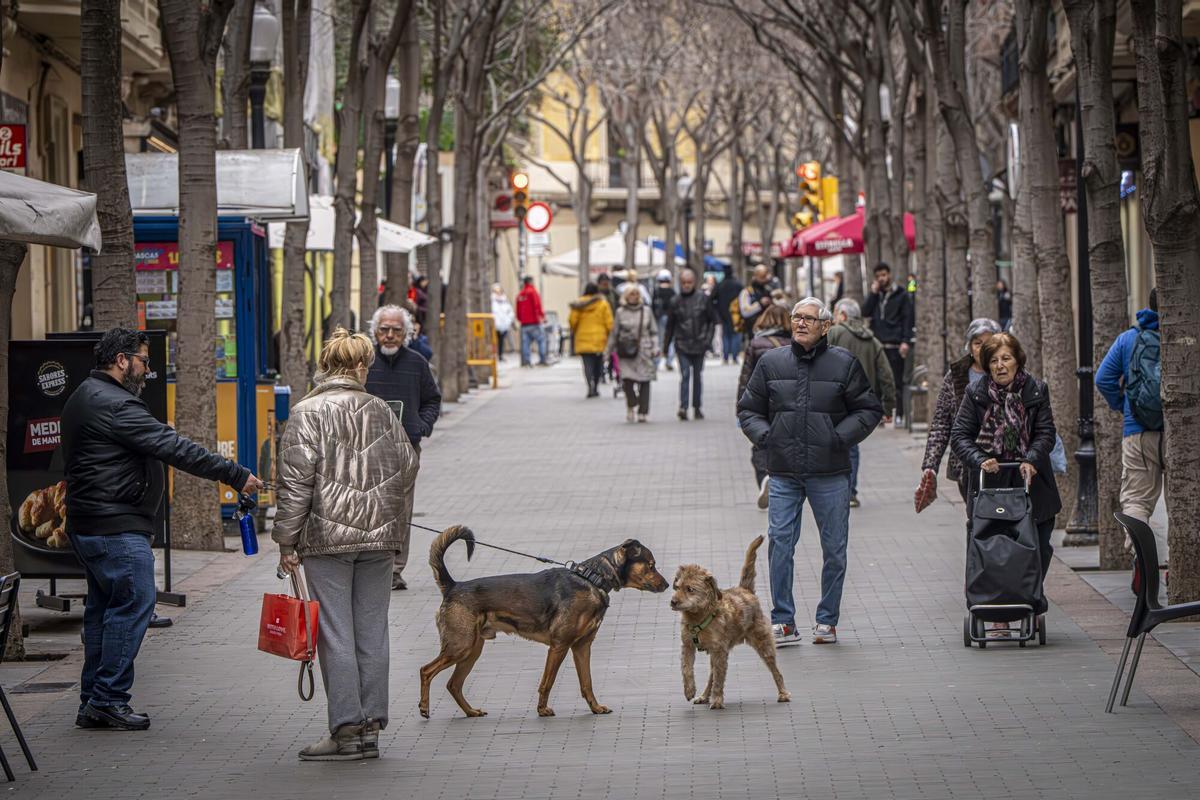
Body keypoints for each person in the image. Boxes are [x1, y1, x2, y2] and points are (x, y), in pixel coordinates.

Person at [62, 328, 263, 731]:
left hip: (91, 524)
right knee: (134, 605)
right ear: (121, 360)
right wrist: (235, 474)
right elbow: (178, 451)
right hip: (115, 527)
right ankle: (107, 697)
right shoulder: (116, 405)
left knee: (103, 611)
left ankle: (93, 700)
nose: (147, 369)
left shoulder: (84, 395)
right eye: (143, 360)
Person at [274, 328, 417, 761]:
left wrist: (286, 540)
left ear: (324, 364)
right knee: (372, 631)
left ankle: (346, 730)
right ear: (361, 366)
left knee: (335, 633)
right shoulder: (380, 410)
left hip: (326, 540)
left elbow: (295, 484)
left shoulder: (306, 413)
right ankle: (372, 726)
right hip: (378, 540)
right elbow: (407, 467)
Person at [737, 298, 883, 647]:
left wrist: (838, 437)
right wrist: (766, 437)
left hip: (830, 472)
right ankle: (783, 621)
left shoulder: (843, 364)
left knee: (834, 548)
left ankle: (827, 619)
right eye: (796, 317)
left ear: (826, 326)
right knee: (780, 544)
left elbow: (868, 409)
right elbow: (748, 409)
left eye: (808, 318)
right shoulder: (771, 363)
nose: (800, 323)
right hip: (784, 472)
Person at [951, 333, 1060, 632]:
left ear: (1017, 360)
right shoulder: (976, 393)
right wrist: (978, 459)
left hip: (1031, 481)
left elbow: (1045, 433)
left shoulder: (1035, 390)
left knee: (1038, 546)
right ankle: (995, 610)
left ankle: (1030, 598)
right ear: (986, 366)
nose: (1000, 366)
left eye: (1006, 358)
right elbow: (960, 435)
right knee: (994, 551)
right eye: (994, 360)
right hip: (992, 484)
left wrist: (1032, 459)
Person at [363, 305, 441, 591]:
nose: (390, 335)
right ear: (375, 331)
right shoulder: (364, 361)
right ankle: (371, 567)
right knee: (369, 507)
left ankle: (395, 570)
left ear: (406, 333)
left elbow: (433, 399)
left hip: (406, 448)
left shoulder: (417, 363)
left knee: (401, 510)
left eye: (396, 330)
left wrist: (422, 426)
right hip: (366, 450)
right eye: (384, 329)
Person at [1095, 288, 1164, 537]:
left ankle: (1141, 565)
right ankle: (1180, 564)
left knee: (1136, 501)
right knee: (1186, 500)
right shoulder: (1189, 332)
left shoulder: (1128, 339)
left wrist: (1124, 404)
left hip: (1138, 431)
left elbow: (1103, 379)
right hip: (1184, 431)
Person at [916, 319, 1003, 509]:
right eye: (977, 343)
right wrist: (930, 465)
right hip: (967, 463)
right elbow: (941, 423)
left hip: (1003, 462)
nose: (983, 348)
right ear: (970, 347)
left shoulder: (1008, 372)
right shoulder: (956, 376)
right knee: (977, 517)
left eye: (989, 342)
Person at [827, 299, 896, 509]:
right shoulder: (872, 340)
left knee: (829, 444)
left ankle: (832, 490)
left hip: (832, 398)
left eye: (836, 313)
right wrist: (888, 404)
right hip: (860, 403)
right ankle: (850, 492)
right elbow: (886, 375)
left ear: (844, 316)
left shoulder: (835, 333)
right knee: (852, 446)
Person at [736, 304, 791, 509]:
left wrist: (740, 408)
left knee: (760, 443)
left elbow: (745, 378)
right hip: (787, 403)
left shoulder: (756, 343)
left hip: (761, 403)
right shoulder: (794, 342)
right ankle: (783, 484)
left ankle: (765, 479)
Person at [863, 262, 915, 424]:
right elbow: (865, 311)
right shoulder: (876, 295)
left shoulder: (901, 294)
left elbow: (908, 319)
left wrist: (905, 341)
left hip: (895, 345)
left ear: (889, 275)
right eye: (878, 276)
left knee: (896, 381)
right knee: (877, 382)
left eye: (884, 275)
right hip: (878, 344)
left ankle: (898, 414)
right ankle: (880, 415)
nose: (881, 279)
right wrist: (872, 293)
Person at [664, 268, 718, 421]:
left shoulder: (703, 299)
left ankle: (697, 407)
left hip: (699, 343)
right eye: (684, 282)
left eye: (689, 282)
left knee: (697, 376)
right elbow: (670, 326)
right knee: (685, 375)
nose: (686, 285)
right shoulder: (675, 301)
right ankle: (683, 406)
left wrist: (707, 341)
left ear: (694, 282)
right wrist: (665, 347)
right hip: (682, 344)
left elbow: (713, 321)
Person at [606, 282, 659, 423]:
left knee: (645, 380)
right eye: (631, 294)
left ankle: (643, 411)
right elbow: (614, 333)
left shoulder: (646, 311)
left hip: (643, 349)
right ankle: (632, 403)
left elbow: (653, 331)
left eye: (636, 294)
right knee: (627, 380)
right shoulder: (620, 312)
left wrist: (655, 347)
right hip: (625, 351)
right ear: (625, 296)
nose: (634, 297)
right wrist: (608, 351)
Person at [569, 281, 614, 398]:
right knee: (598, 364)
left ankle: (590, 385)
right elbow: (609, 322)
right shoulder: (603, 304)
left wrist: (575, 329)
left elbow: (572, 321)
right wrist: (611, 334)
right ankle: (596, 386)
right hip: (599, 338)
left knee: (587, 365)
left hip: (583, 338)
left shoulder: (578, 304)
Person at [515, 276, 549, 367]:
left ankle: (526, 361)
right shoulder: (533, 292)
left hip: (524, 324)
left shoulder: (520, 295)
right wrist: (542, 317)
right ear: (530, 282)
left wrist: (521, 319)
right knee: (541, 340)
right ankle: (542, 359)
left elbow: (517, 311)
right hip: (534, 322)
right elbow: (537, 305)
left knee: (526, 343)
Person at [714, 268, 744, 364]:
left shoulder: (720, 285)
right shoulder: (738, 285)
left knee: (725, 335)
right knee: (735, 335)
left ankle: (726, 357)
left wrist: (717, 310)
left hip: (722, 314)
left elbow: (712, 299)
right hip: (736, 314)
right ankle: (735, 357)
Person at [737, 264, 776, 337]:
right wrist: (760, 304)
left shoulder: (768, 290)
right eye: (762, 276)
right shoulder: (747, 292)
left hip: (768, 330)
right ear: (755, 276)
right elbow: (745, 312)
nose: (765, 279)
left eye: (765, 276)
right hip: (752, 331)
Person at [652, 269, 677, 371]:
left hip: (659, 317)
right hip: (670, 318)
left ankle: (656, 362)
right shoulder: (672, 291)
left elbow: (652, 305)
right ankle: (669, 361)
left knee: (659, 339)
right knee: (670, 339)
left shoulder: (656, 291)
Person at [490, 283, 516, 362]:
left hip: (503, 325)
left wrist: (508, 321)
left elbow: (510, 312)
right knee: (493, 341)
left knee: (501, 341)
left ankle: (500, 355)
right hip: (494, 324)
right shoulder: (491, 301)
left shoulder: (505, 301)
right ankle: (493, 355)